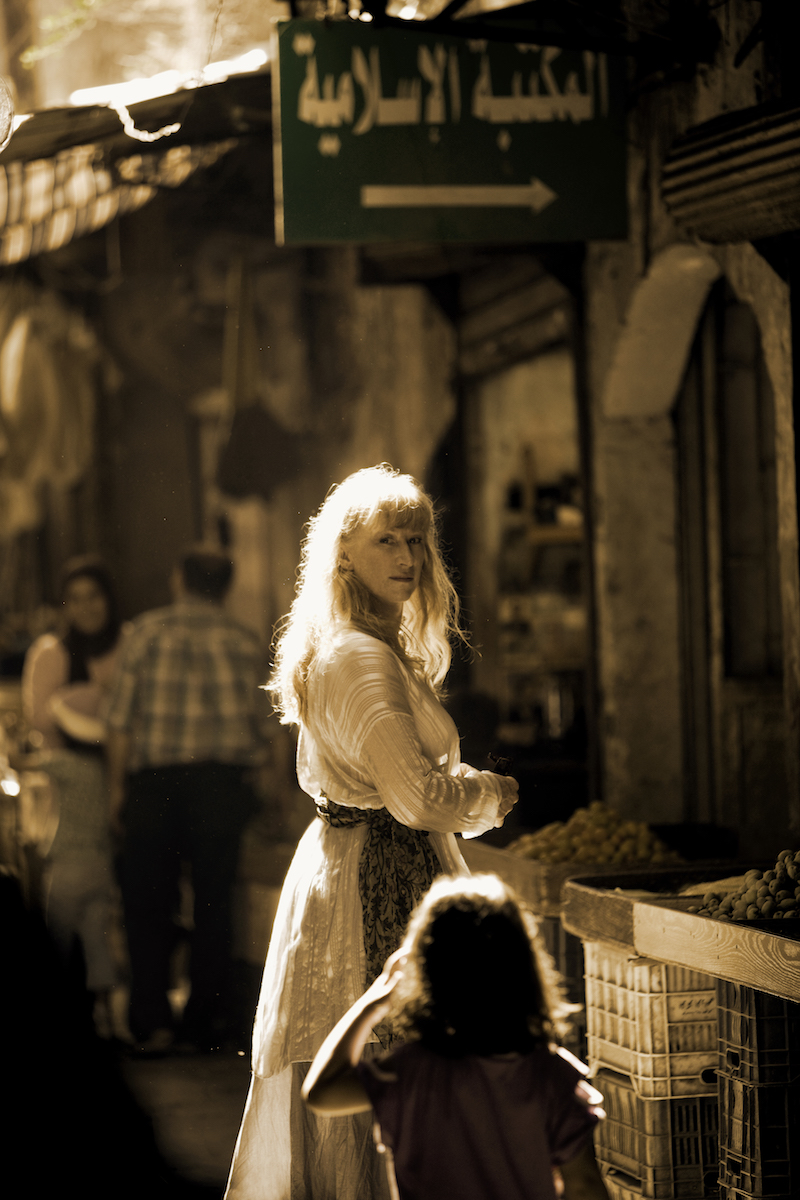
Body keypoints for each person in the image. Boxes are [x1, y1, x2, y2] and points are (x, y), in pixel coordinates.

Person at [224, 464, 519, 1200]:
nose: (408, 559)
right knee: (398, 1069)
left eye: (416, 540)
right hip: (381, 876)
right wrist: (488, 793)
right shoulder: (359, 655)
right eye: (386, 540)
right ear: (344, 552)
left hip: (352, 866)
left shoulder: (359, 643)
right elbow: (416, 799)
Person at [303, 873, 610, 1200]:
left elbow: (322, 1093)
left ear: (428, 972)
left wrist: (373, 1002)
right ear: (523, 969)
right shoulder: (551, 1075)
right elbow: (584, 1186)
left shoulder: (409, 1070)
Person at [105, 544, 269, 1055]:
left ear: (179, 580)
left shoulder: (146, 634)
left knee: (148, 902)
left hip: (155, 786)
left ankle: (152, 1021)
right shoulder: (245, 641)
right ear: (225, 587)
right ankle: (207, 1021)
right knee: (215, 903)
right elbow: (269, 727)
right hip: (222, 786)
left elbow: (119, 723)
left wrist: (116, 790)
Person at [21, 554, 127, 1038]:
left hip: (120, 782)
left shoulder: (126, 643)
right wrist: (95, 700)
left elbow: (132, 717)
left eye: (95, 596)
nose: (86, 608)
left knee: (103, 918)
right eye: (76, 599)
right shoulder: (50, 652)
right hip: (68, 792)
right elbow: (41, 719)